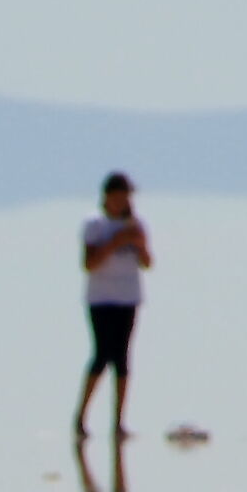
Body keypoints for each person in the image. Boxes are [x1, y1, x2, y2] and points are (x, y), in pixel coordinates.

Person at [75, 173, 150, 440]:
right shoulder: (95, 224)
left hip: (128, 297)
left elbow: (147, 262)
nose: (123, 201)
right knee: (102, 354)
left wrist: (138, 243)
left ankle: (118, 422)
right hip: (101, 298)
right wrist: (115, 242)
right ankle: (81, 416)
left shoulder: (135, 224)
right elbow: (89, 263)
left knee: (122, 358)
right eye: (118, 196)